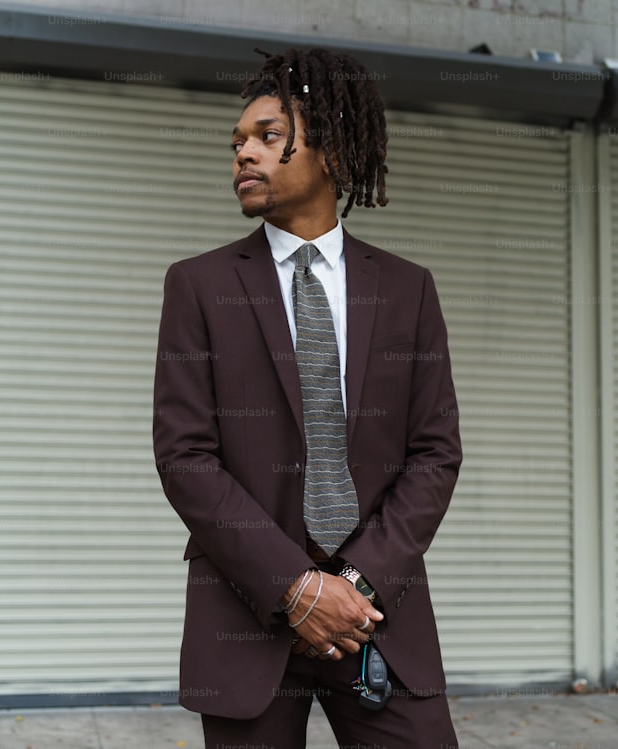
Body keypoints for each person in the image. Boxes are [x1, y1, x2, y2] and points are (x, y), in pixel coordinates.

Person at [153, 46, 462, 748]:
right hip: (246, 612)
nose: (243, 154)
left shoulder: (408, 290)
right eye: (236, 143)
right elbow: (185, 457)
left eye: (266, 136)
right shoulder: (198, 286)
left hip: (376, 616)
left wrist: (352, 584)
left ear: (330, 148)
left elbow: (435, 453)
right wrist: (297, 587)